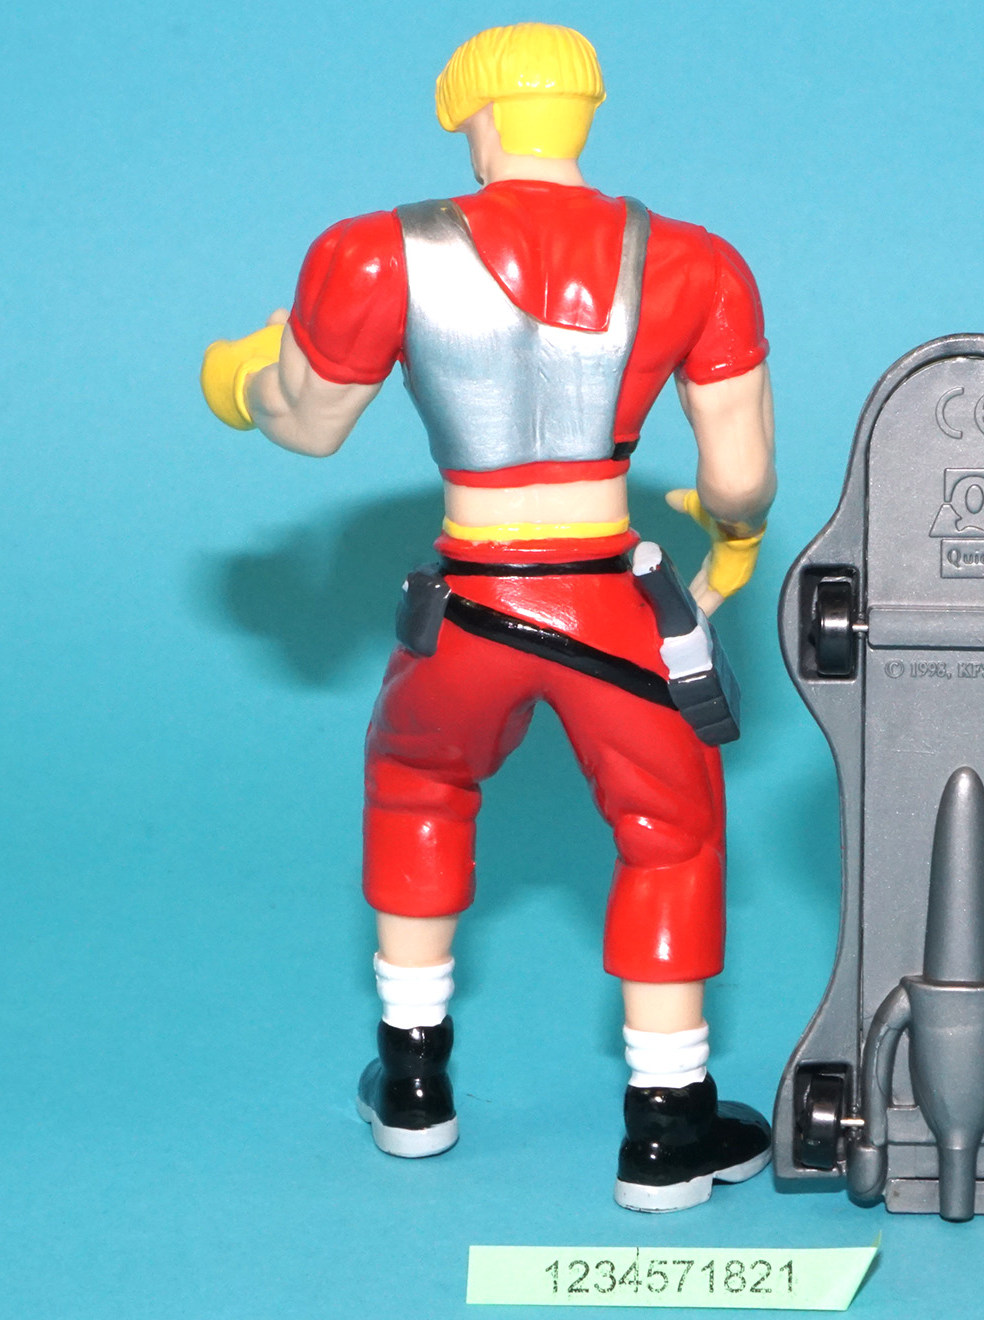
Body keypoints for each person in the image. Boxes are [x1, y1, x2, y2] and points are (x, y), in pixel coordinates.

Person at [200, 22, 776, 1212]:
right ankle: (667, 1124)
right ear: (584, 112)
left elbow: (308, 422)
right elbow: (739, 478)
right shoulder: (696, 263)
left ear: (474, 116)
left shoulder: (375, 253)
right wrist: (734, 544)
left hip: (470, 605)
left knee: (417, 787)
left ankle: (414, 1082)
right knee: (671, 838)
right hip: (610, 608)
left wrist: (240, 378)